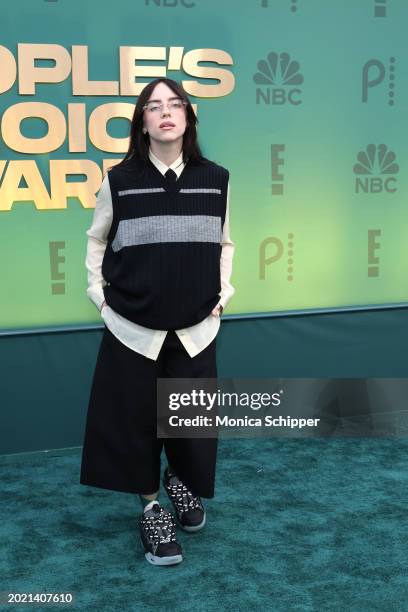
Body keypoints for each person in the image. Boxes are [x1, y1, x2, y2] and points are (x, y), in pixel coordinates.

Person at [80, 77, 235, 566]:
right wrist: (101, 300)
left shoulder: (217, 178)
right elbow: (96, 241)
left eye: (174, 105)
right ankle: (150, 506)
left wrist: (221, 297)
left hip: (194, 328)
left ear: (188, 116)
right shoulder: (119, 180)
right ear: (142, 123)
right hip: (132, 329)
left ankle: (181, 483)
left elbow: (224, 243)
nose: (165, 113)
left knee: (189, 424)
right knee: (135, 424)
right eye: (153, 107)